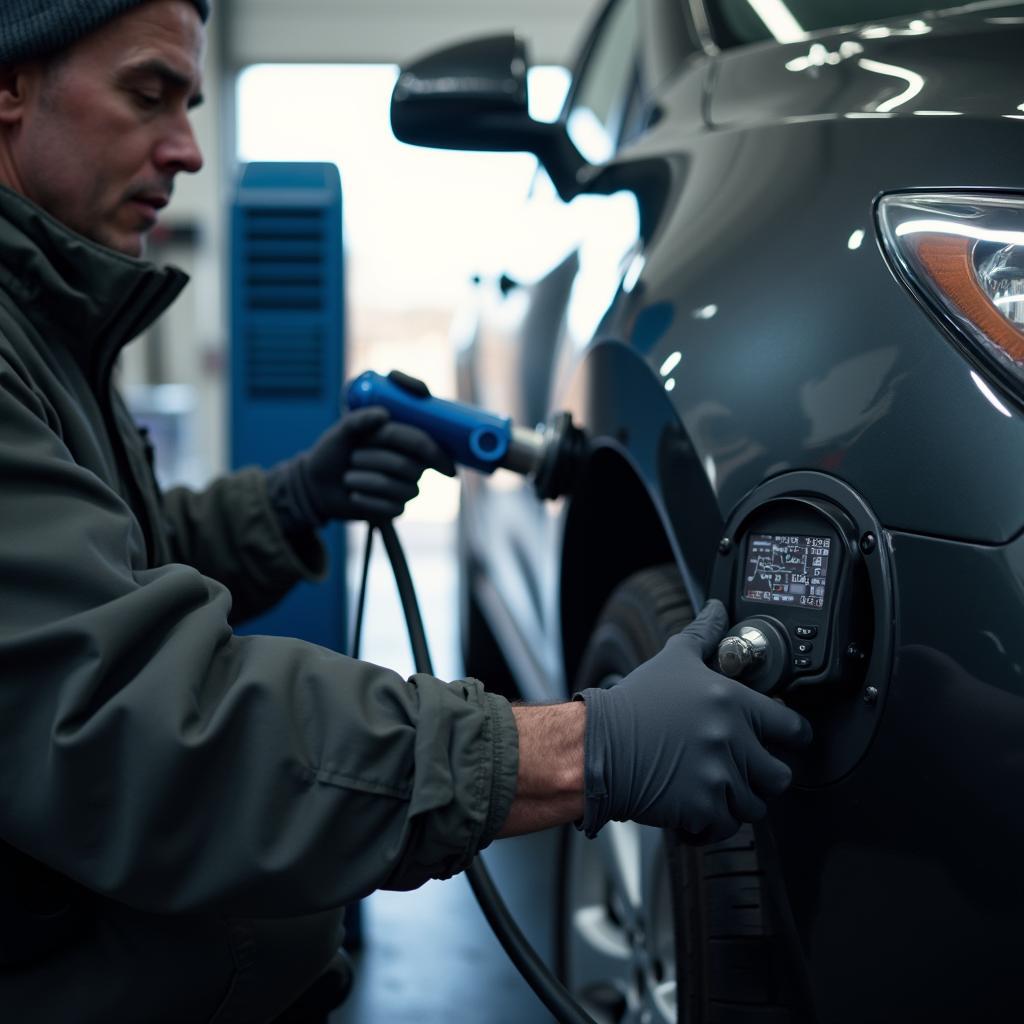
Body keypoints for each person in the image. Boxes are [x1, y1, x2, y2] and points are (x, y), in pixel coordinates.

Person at [0, 1, 812, 1020]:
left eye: (192, 103)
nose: (188, 150)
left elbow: (95, 579)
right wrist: (576, 748)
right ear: (10, 85)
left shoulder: (47, 322)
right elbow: (130, 721)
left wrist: (294, 500)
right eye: (148, 92)